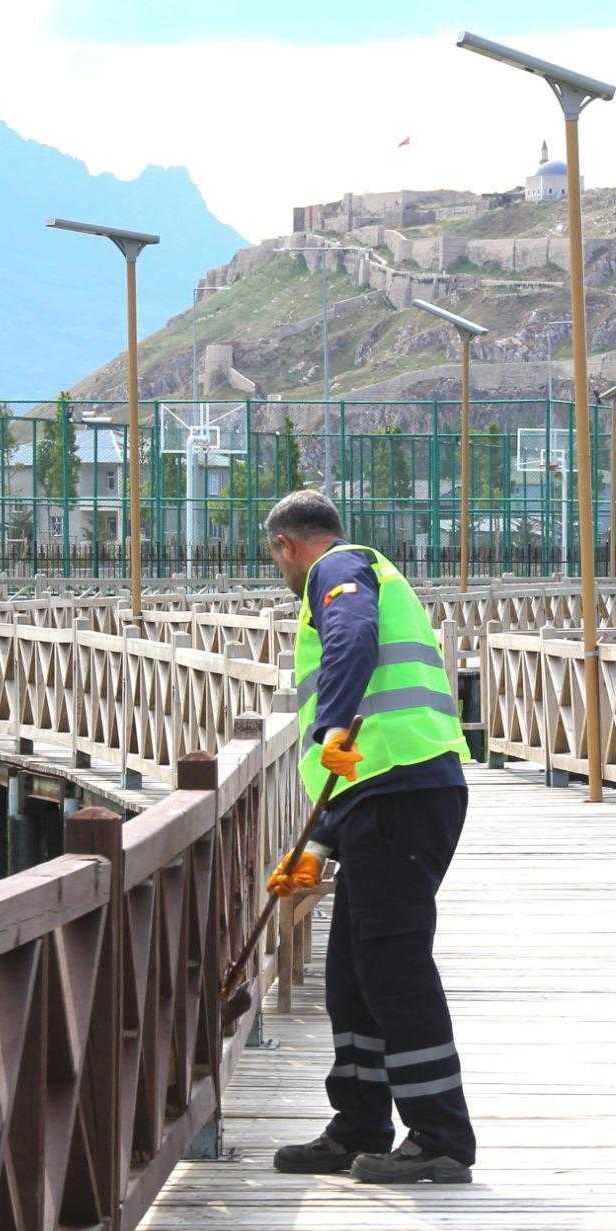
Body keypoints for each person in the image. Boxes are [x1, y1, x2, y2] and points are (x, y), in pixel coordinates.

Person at [261, 489, 478, 1184]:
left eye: (278, 562)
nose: (284, 574)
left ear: (287, 546)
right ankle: (358, 1121)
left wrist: (333, 725)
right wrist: (318, 843)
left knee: (394, 964)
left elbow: (353, 637)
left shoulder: (339, 571)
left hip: (403, 793)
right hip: (382, 796)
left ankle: (440, 1134)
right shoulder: (362, 569)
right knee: (353, 973)